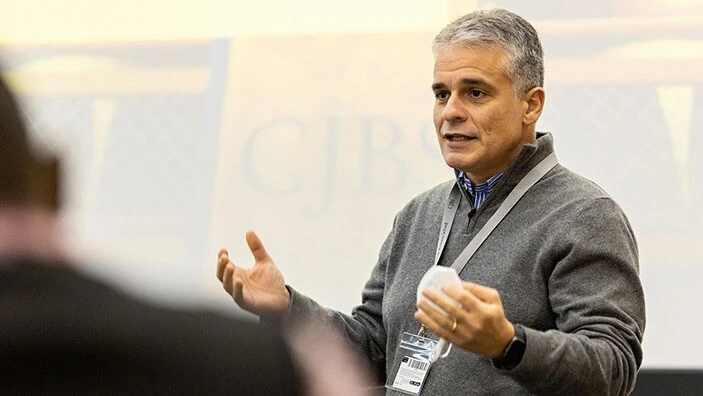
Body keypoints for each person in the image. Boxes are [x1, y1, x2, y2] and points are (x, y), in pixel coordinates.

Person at [216, 8, 645, 396]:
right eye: (442, 94)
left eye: (475, 93)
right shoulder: (417, 215)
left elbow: (613, 367)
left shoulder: (584, 215)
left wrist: (508, 343)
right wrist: (288, 308)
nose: (450, 112)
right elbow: (371, 346)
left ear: (531, 105)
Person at [0, 72, 302, 395]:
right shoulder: (270, 370)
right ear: (53, 183)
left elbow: (366, 336)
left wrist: (288, 311)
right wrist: (288, 313)